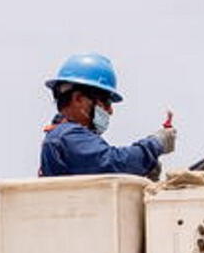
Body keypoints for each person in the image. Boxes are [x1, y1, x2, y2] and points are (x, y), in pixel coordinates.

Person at [40, 53, 175, 177]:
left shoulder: (62, 137)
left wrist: (143, 169)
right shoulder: (68, 136)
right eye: (106, 102)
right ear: (78, 99)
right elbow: (113, 163)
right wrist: (156, 144)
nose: (110, 111)